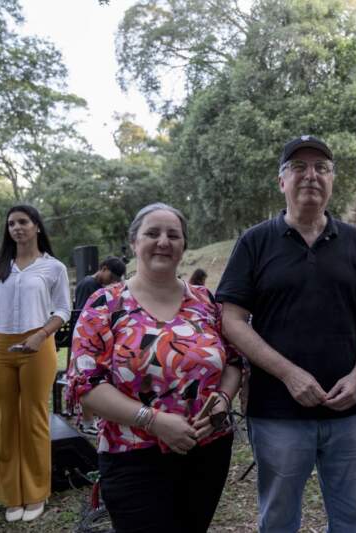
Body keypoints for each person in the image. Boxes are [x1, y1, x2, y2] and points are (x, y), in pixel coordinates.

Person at [217, 135, 356, 533]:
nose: (311, 175)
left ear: (332, 181)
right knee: (278, 520)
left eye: (321, 168)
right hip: (277, 413)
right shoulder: (255, 241)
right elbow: (231, 319)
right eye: (299, 167)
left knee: (353, 520)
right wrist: (289, 374)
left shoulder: (354, 241)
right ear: (282, 181)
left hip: (351, 411)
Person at [68, 203, 243, 533]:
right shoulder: (105, 304)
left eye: (173, 235)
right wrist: (154, 421)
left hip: (208, 450)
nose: (163, 241)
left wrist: (223, 398)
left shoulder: (206, 301)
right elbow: (85, 384)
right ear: (134, 242)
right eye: (152, 233)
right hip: (133, 456)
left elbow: (233, 361)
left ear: (183, 246)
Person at [0, 204, 70, 522]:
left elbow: (63, 310)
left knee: (34, 419)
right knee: (6, 420)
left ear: (36, 226)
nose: (16, 228)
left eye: (23, 222)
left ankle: (36, 492)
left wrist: (40, 336)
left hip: (38, 344)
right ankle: (12, 495)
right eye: (11, 223)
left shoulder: (54, 268)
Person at [69, 256, 126, 436]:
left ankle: (92, 419)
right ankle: (87, 422)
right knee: (87, 379)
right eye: (113, 276)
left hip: (95, 339)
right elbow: (86, 316)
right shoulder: (89, 285)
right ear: (103, 268)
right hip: (86, 341)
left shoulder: (99, 287)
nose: (114, 281)